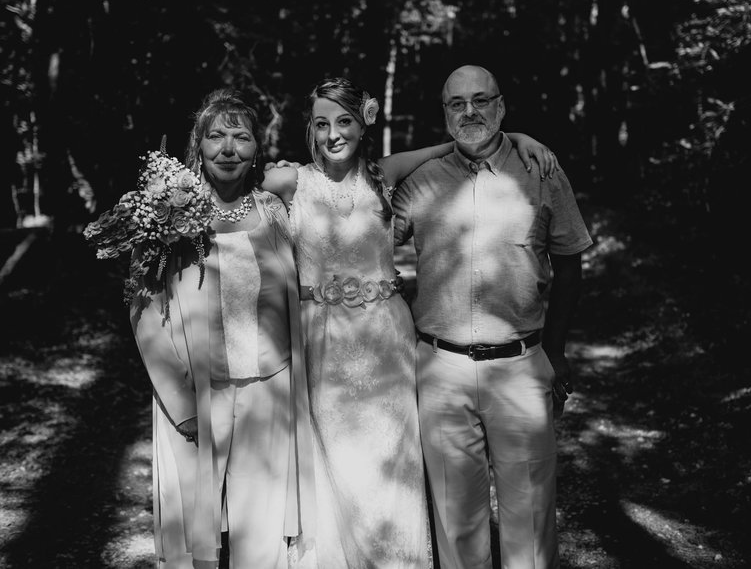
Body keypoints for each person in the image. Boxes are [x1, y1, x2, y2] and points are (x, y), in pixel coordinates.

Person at [261, 76, 559, 568]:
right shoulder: (290, 181)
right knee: (339, 463)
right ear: (309, 130)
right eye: (321, 124)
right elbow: (225, 185)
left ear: (364, 124)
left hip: (388, 345)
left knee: (392, 465)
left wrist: (518, 138)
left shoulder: (384, 175)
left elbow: (457, 142)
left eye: (344, 121)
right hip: (324, 343)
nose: (333, 134)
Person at [391, 65, 594, 569]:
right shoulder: (421, 179)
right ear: (444, 114)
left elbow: (570, 262)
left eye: (481, 101)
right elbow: (358, 194)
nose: (470, 112)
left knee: (529, 514)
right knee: (456, 522)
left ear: (501, 107)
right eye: (457, 104)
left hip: (521, 364)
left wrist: (556, 349)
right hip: (439, 367)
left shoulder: (541, 170)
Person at [130, 88, 315, 569]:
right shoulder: (169, 214)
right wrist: (181, 402)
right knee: (193, 534)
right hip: (196, 393)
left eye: (241, 137)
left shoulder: (274, 211)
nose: (228, 149)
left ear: (258, 148)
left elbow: (352, 177)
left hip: (269, 389)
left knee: (262, 532)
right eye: (216, 136)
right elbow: (144, 308)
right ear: (198, 145)